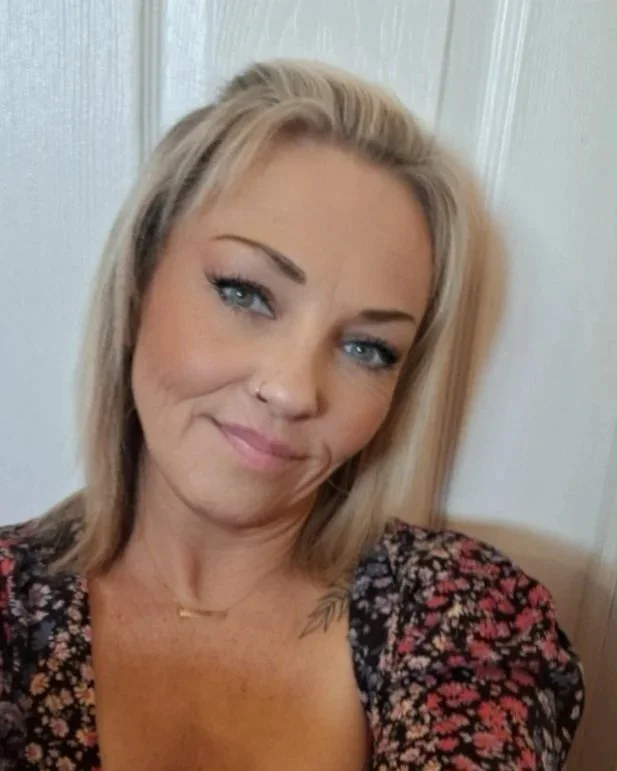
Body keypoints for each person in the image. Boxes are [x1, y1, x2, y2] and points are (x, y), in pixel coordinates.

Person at [0, 59, 583, 770]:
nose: (292, 391)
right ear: (138, 285)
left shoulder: (463, 617)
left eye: (367, 347)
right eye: (246, 293)